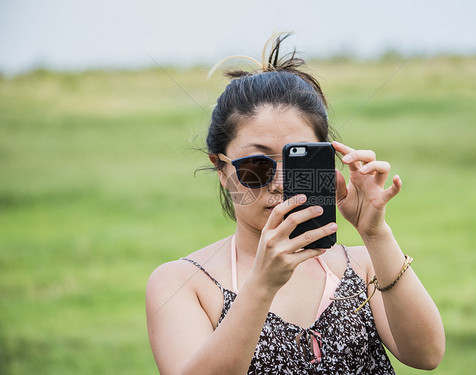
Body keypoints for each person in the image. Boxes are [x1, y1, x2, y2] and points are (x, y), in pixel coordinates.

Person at [146, 33, 445, 375]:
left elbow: (427, 354)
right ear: (221, 169)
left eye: (298, 163)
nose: (278, 183)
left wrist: (376, 234)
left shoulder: (362, 266)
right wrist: (262, 284)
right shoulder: (183, 283)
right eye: (256, 166)